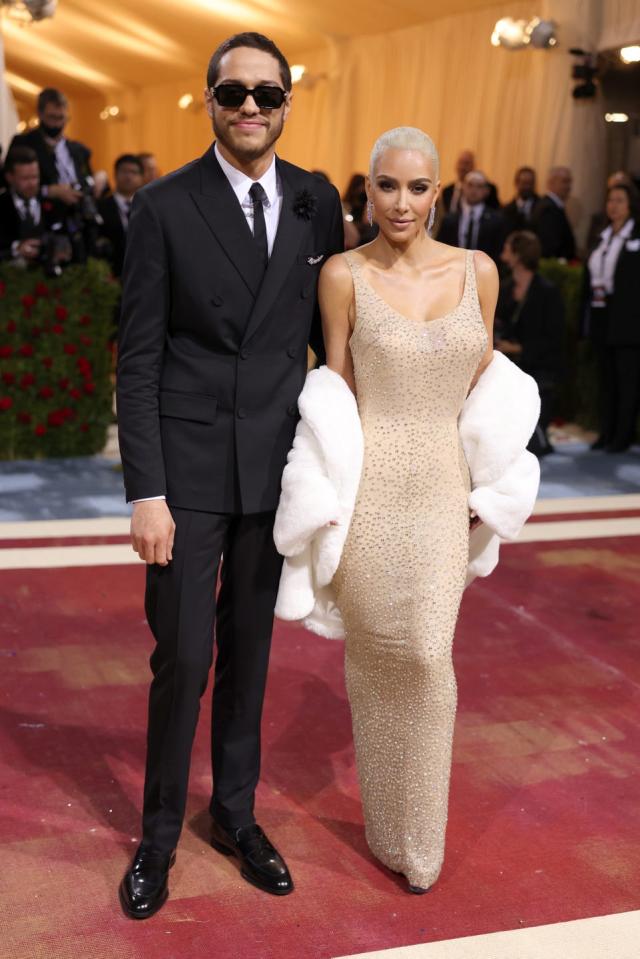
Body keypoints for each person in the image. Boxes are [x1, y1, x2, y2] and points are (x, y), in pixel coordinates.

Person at [116, 32, 344, 919]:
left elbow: (339, 330)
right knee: (185, 656)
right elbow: (138, 357)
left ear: (288, 102)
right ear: (208, 100)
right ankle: (160, 834)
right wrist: (146, 490)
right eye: (233, 91)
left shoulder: (319, 201)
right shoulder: (165, 206)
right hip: (189, 469)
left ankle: (237, 814)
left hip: (276, 469)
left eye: (267, 93)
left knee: (251, 654)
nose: (251, 106)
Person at [318, 127, 497, 893]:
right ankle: (387, 828)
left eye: (417, 188)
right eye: (387, 186)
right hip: (372, 487)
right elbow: (335, 389)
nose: (402, 202)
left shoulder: (478, 270)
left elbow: (490, 384)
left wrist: (492, 482)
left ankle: (421, 837)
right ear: (368, 190)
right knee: (377, 658)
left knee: (427, 654)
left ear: (438, 193)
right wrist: (322, 501)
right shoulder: (342, 274)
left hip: (442, 489)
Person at [496, 231, 564, 456]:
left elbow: (554, 338)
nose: (503, 253)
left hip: (538, 365)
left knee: (532, 445)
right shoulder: (504, 289)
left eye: (507, 248)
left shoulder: (547, 293)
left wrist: (519, 348)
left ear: (518, 255)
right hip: (507, 364)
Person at [584, 183, 640, 452]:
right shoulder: (601, 236)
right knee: (605, 378)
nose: (614, 205)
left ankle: (623, 435)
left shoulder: (635, 237)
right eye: (610, 200)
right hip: (601, 313)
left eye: (620, 200)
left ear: (631, 205)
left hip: (628, 319)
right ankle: (606, 432)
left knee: (626, 380)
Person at [9, 88, 93, 208]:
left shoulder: (78, 150)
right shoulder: (24, 143)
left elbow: (87, 180)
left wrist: (98, 179)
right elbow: (11, 183)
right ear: (40, 114)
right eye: (52, 118)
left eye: (61, 118)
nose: (57, 124)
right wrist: (48, 191)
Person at [0, 146, 70, 268]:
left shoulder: (54, 204)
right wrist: (16, 249)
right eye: (25, 178)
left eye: (35, 177)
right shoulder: (2, 205)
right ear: (10, 178)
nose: (32, 183)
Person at [437, 170, 505, 264]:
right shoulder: (449, 220)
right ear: (463, 187)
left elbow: (498, 252)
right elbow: (440, 248)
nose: (474, 190)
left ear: (486, 191)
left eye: (479, 186)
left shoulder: (496, 220)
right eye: (470, 185)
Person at [97, 154, 144, 277]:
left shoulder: (149, 209)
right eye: (124, 171)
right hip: (110, 277)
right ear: (115, 174)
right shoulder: (100, 207)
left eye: (134, 172)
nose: (128, 176)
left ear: (142, 178)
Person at [530, 166, 576, 260]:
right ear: (551, 183)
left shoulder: (551, 205)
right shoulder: (548, 209)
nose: (568, 187)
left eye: (569, 182)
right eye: (564, 181)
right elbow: (550, 247)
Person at [441, 149, 500, 214]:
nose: (462, 167)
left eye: (466, 163)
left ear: (474, 166)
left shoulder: (487, 189)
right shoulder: (447, 191)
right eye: (460, 163)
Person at [501, 166, 540, 235]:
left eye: (530, 183)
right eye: (524, 183)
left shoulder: (541, 207)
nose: (528, 187)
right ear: (516, 183)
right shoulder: (506, 210)